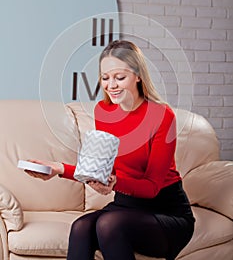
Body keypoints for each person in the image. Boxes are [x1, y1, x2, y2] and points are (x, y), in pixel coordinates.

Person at [26, 40, 195, 260]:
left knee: (108, 224)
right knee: (81, 227)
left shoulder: (162, 115)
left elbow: (152, 187)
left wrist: (115, 183)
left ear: (138, 76)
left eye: (119, 77)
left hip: (164, 211)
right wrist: (58, 169)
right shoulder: (103, 112)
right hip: (126, 206)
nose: (111, 85)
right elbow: (98, 168)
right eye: (105, 78)